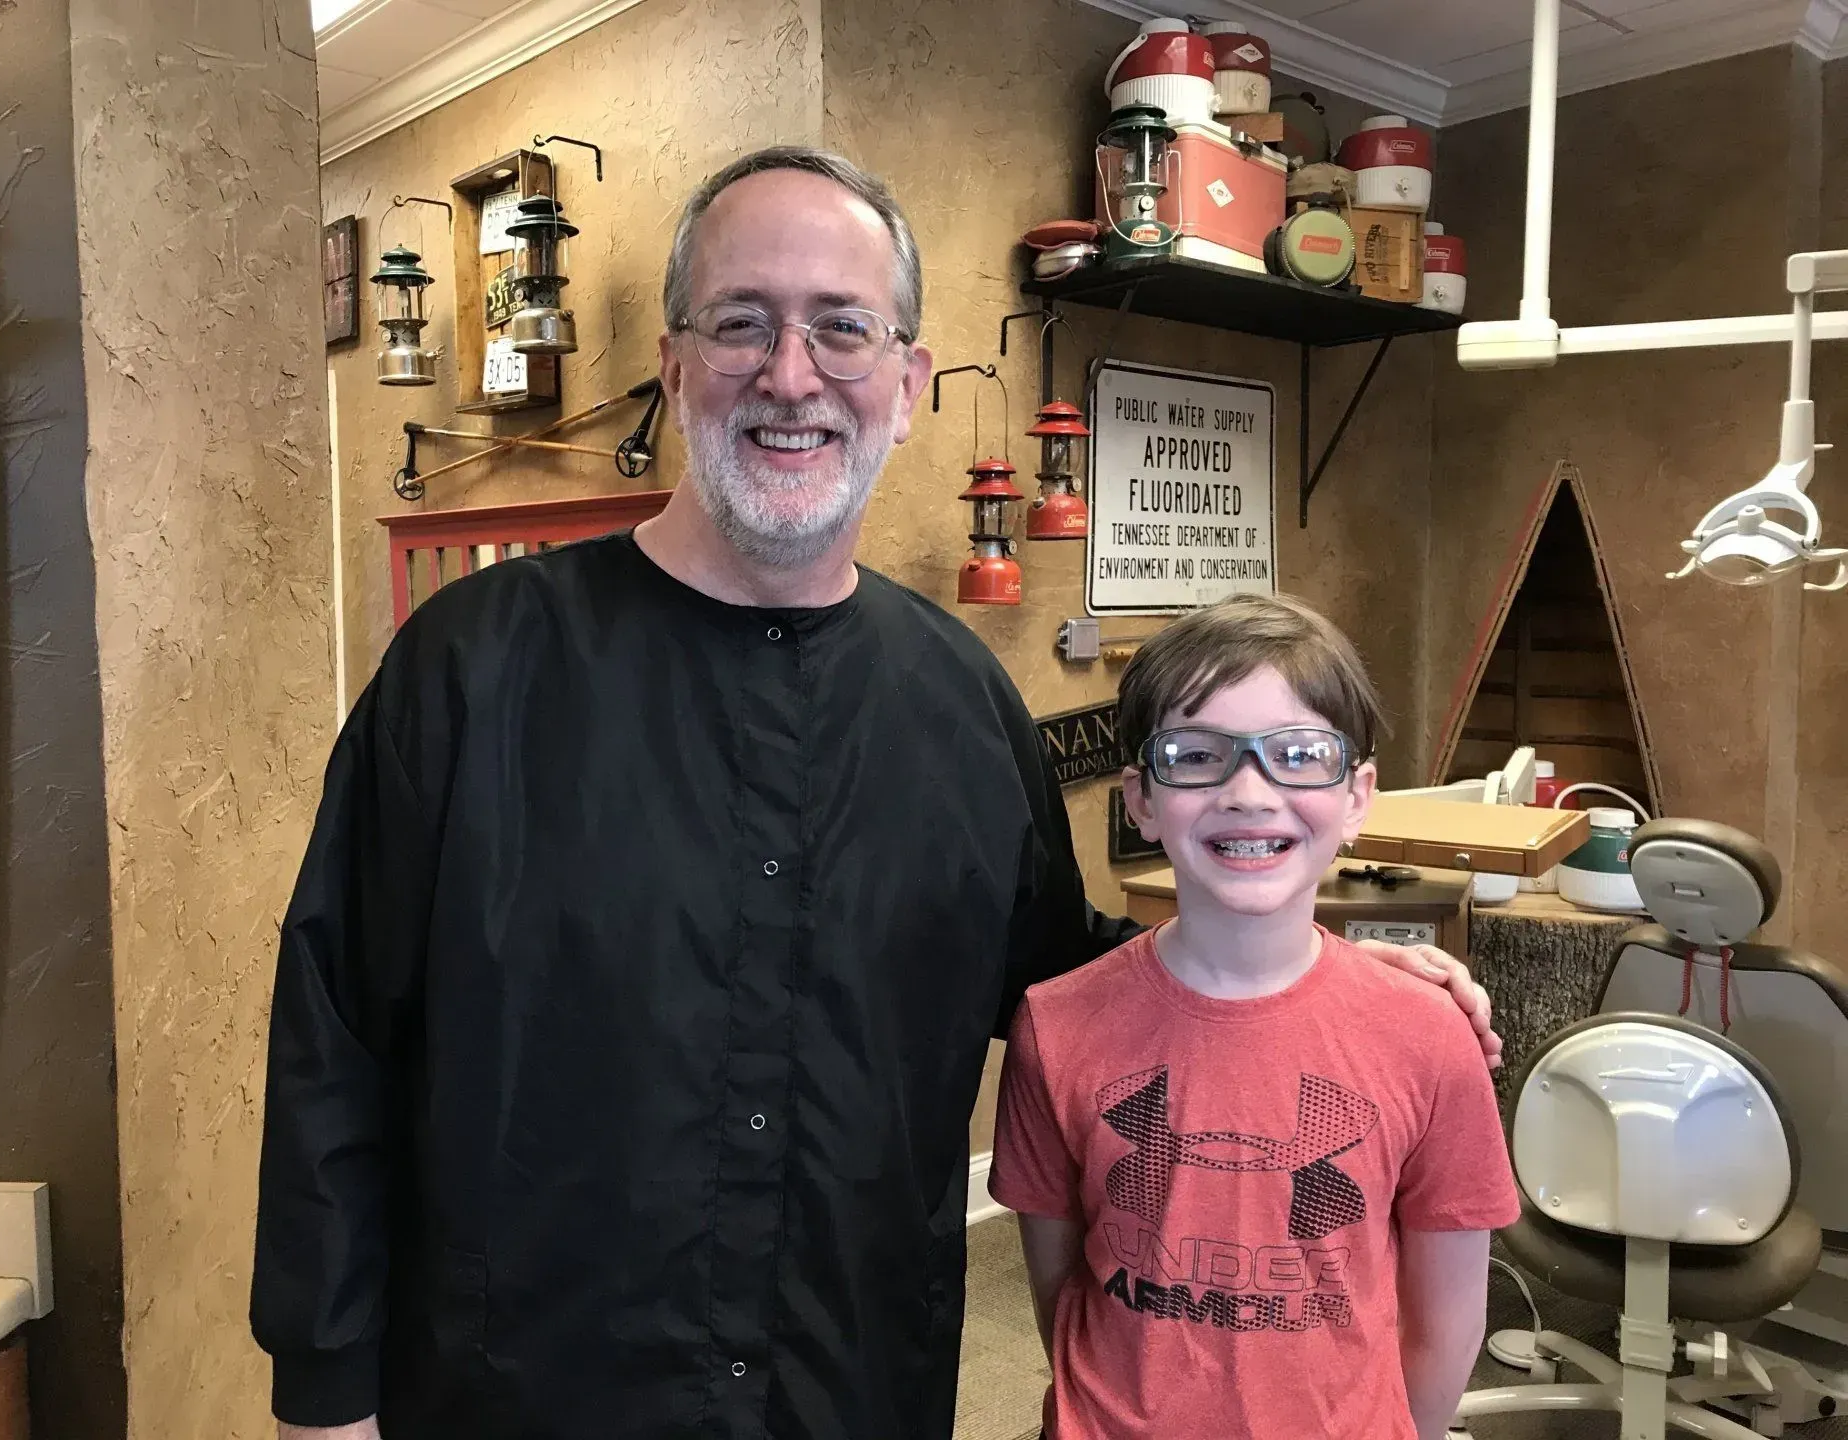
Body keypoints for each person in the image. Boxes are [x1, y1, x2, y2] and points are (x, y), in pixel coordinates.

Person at [250, 147, 1501, 1440]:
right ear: (675, 367)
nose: (791, 376)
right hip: (522, 1394)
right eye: (743, 322)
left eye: (842, 330)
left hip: (848, 1391)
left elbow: (1064, 983)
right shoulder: (471, 670)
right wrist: (328, 1399)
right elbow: (336, 1038)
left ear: (905, 389)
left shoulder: (960, 704)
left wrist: (1317, 988)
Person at [991, 593, 1519, 1440]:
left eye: (1300, 754)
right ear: (1140, 800)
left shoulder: (1426, 1037)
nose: (1248, 791)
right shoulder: (1056, 1028)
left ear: (1357, 797)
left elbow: (1446, 1326)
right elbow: (1062, 1292)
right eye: (1195, 755)